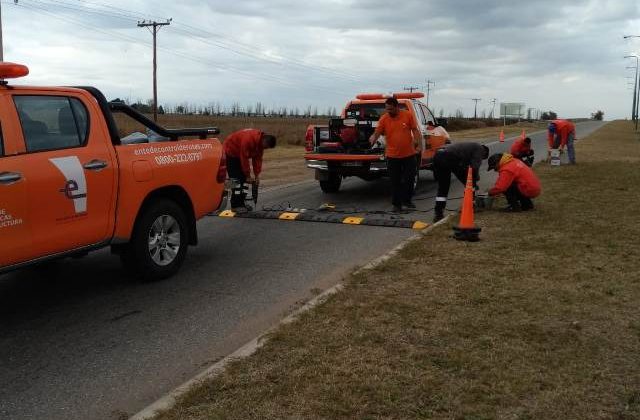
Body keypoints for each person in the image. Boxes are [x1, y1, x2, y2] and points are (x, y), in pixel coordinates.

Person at [369, 97, 422, 212]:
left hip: (409, 154)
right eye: (387, 109)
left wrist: (418, 143)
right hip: (392, 156)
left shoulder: (407, 115)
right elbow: (377, 132)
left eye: (391, 109)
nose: (389, 112)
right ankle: (396, 205)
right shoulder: (384, 119)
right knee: (395, 181)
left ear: (397, 107)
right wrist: (373, 138)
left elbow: (415, 130)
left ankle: (407, 201)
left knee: (409, 179)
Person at [432, 142, 489, 222]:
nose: (480, 159)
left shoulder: (468, 149)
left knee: (443, 187)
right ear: (485, 153)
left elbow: (464, 168)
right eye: (482, 158)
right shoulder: (480, 149)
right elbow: (474, 168)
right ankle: (470, 207)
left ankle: (438, 214)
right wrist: (474, 180)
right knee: (470, 183)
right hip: (449, 156)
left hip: (438, 156)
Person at [223, 129, 277, 212]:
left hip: (239, 154)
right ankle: (234, 205)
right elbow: (244, 158)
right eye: (266, 147)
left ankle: (241, 203)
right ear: (264, 140)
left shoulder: (260, 145)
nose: (265, 149)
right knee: (235, 180)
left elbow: (258, 160)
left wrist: (256, 176)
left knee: (245, 181)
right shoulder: (248, 140)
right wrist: (248, 175)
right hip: (230, 152)